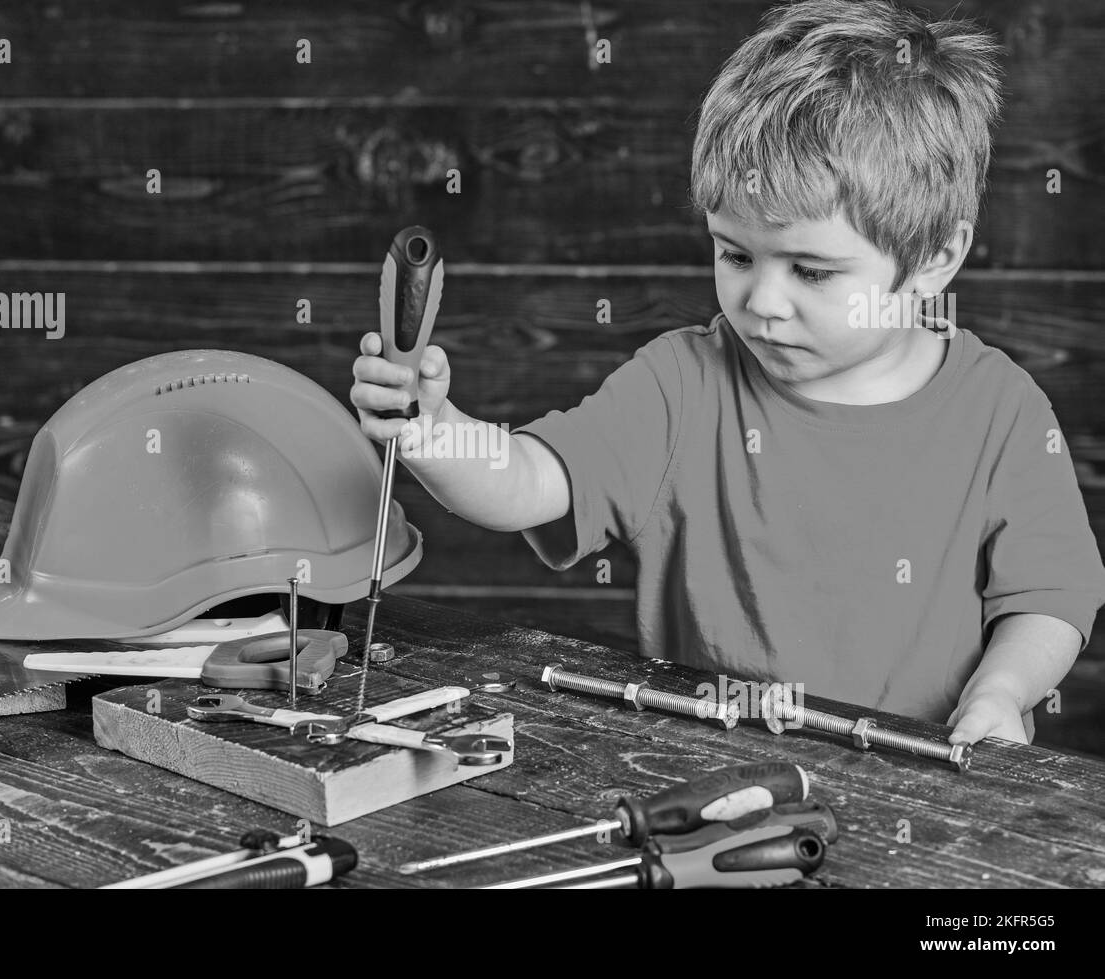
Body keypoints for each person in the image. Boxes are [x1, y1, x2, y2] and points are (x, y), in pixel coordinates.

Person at [350, 0, 1105, 747]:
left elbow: (1050, 599)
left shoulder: (1001, 410)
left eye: (812, 270)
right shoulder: (683, 384)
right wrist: (434, 431)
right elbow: (530, 478)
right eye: (735, 254)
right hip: (713, 780)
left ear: (935, 258)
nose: (762, 301)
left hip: (929, 792)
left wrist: (1002, 692)